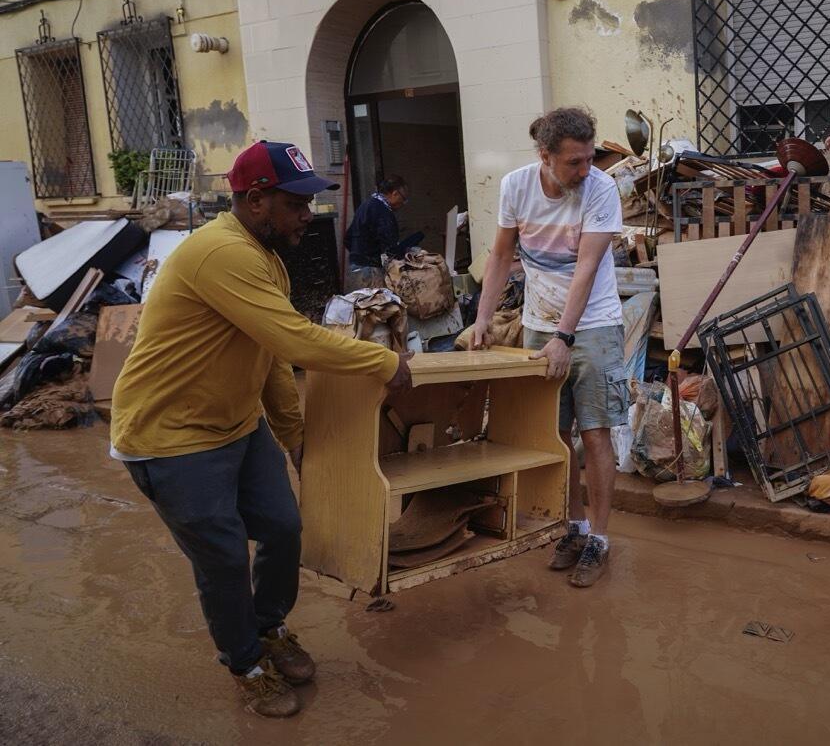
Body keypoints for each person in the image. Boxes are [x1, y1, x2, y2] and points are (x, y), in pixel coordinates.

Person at [110, 140, 412, 719]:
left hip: (236, 426)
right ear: (255, 200)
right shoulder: (221, 253)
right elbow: (298, 341)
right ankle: (245, 662)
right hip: (170, 437)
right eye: (296, 204)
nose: (308, 217)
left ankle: (269, 628)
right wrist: (386, 362)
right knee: (222, 557)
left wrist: (293, 436)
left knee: (282, 526)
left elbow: (271, 353)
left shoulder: (265, 257)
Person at [471, 107, 627, 588]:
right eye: (575, 163)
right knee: (555, 435)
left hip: (594, 324)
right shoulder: (516, 187)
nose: (586, 170)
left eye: (588, 159)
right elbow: (500, 255)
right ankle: (575, 529)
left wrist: (565, 336)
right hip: (539, 325)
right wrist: (480, 320)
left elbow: (585, 267)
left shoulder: (600, 190)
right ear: (545, 157)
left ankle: (599, 539)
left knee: (596, 432)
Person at [344, 174, 423, 290]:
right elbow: (389, 247)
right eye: (404, 199)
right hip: (371, 270)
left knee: (361, 304)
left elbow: (347, 237)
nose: (403, 204)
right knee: (376, 305)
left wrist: (358, 255)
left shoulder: (366, 205)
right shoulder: (382, 211)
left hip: (356, 267)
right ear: (395, 193)